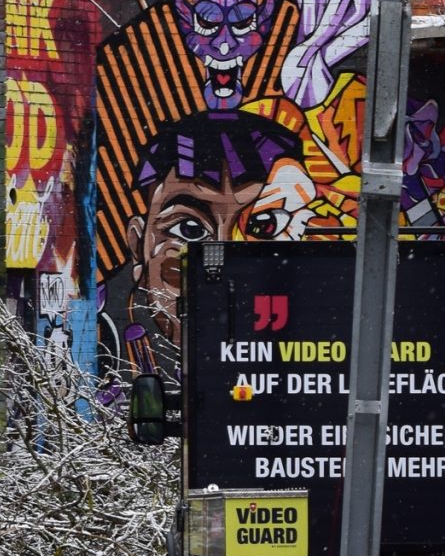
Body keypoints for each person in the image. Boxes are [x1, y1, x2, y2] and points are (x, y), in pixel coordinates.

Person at [95, 110, 316, 388]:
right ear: (139, 245)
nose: (222, 261)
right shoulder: (97, 336)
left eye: (263, 227)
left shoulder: (326, 332)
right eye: (190, 230)